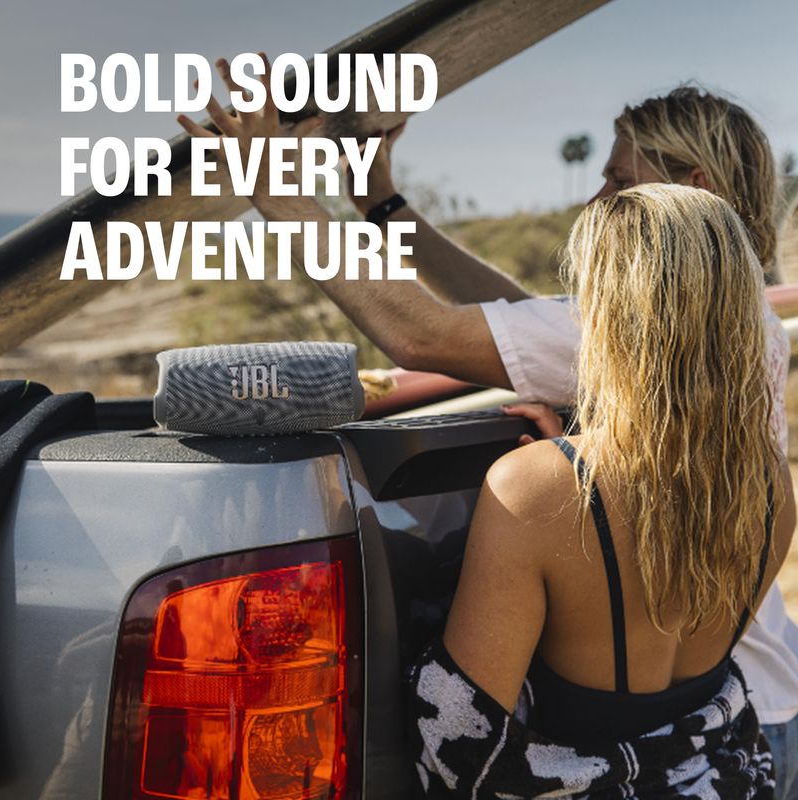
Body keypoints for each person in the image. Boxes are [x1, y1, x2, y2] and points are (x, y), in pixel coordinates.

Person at [177, 66, 798, 795]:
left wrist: (275, 189)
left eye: (619, 181)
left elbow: (422, 333)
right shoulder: (757, 417)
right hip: (734, 744)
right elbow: (525, 322)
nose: (596, 197)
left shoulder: (542, 486)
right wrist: (382, 204)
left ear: (694, 186)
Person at [410, 183, 796, 798]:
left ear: (609, 313)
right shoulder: (769, 482)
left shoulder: (533, 489)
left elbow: (460, 738)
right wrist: (574, 454)